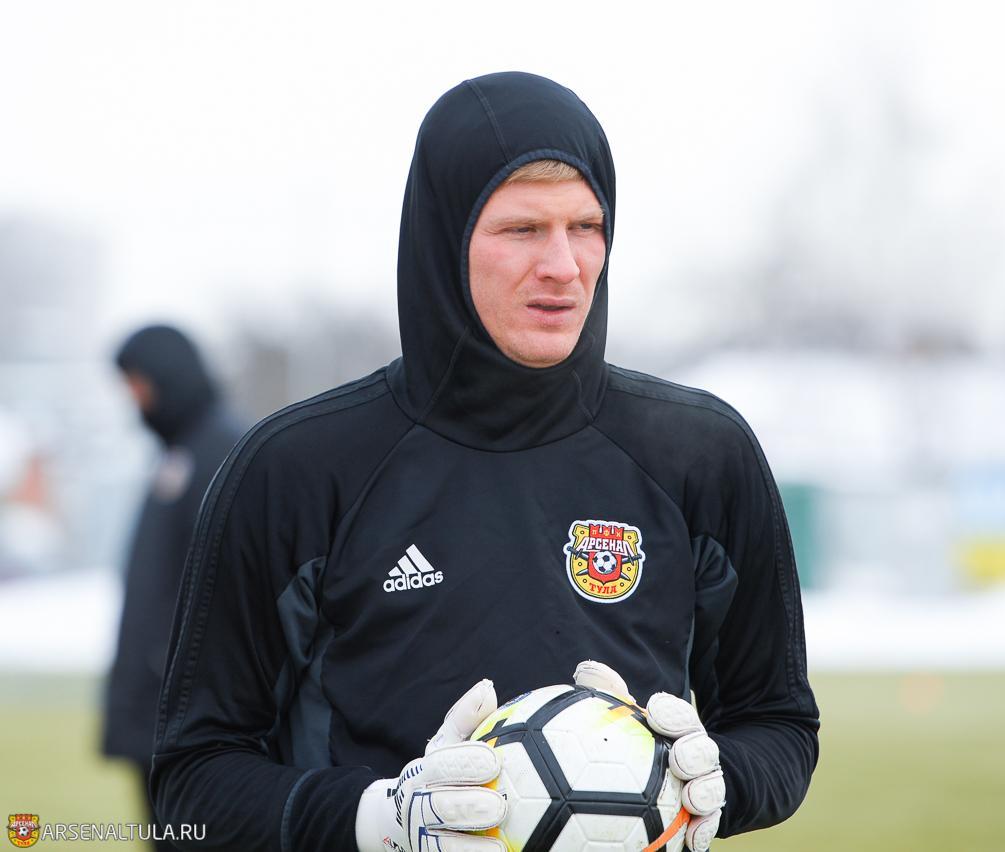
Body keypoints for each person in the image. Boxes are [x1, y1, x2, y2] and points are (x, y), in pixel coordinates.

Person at [151, 72, 819, 852]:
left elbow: (778, 725)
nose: (564, 265)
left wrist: (714, 782)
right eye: (523, 229)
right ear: (444, 240)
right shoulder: (295, 469)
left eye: (586, 225)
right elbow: (190, 784)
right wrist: (382, 818)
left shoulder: (701, 454)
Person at [102, 324, 243, 849]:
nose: (134, 399)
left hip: (188, 715)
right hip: (159, 708)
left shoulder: (222, 450)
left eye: (137, 384)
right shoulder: (178, 453)